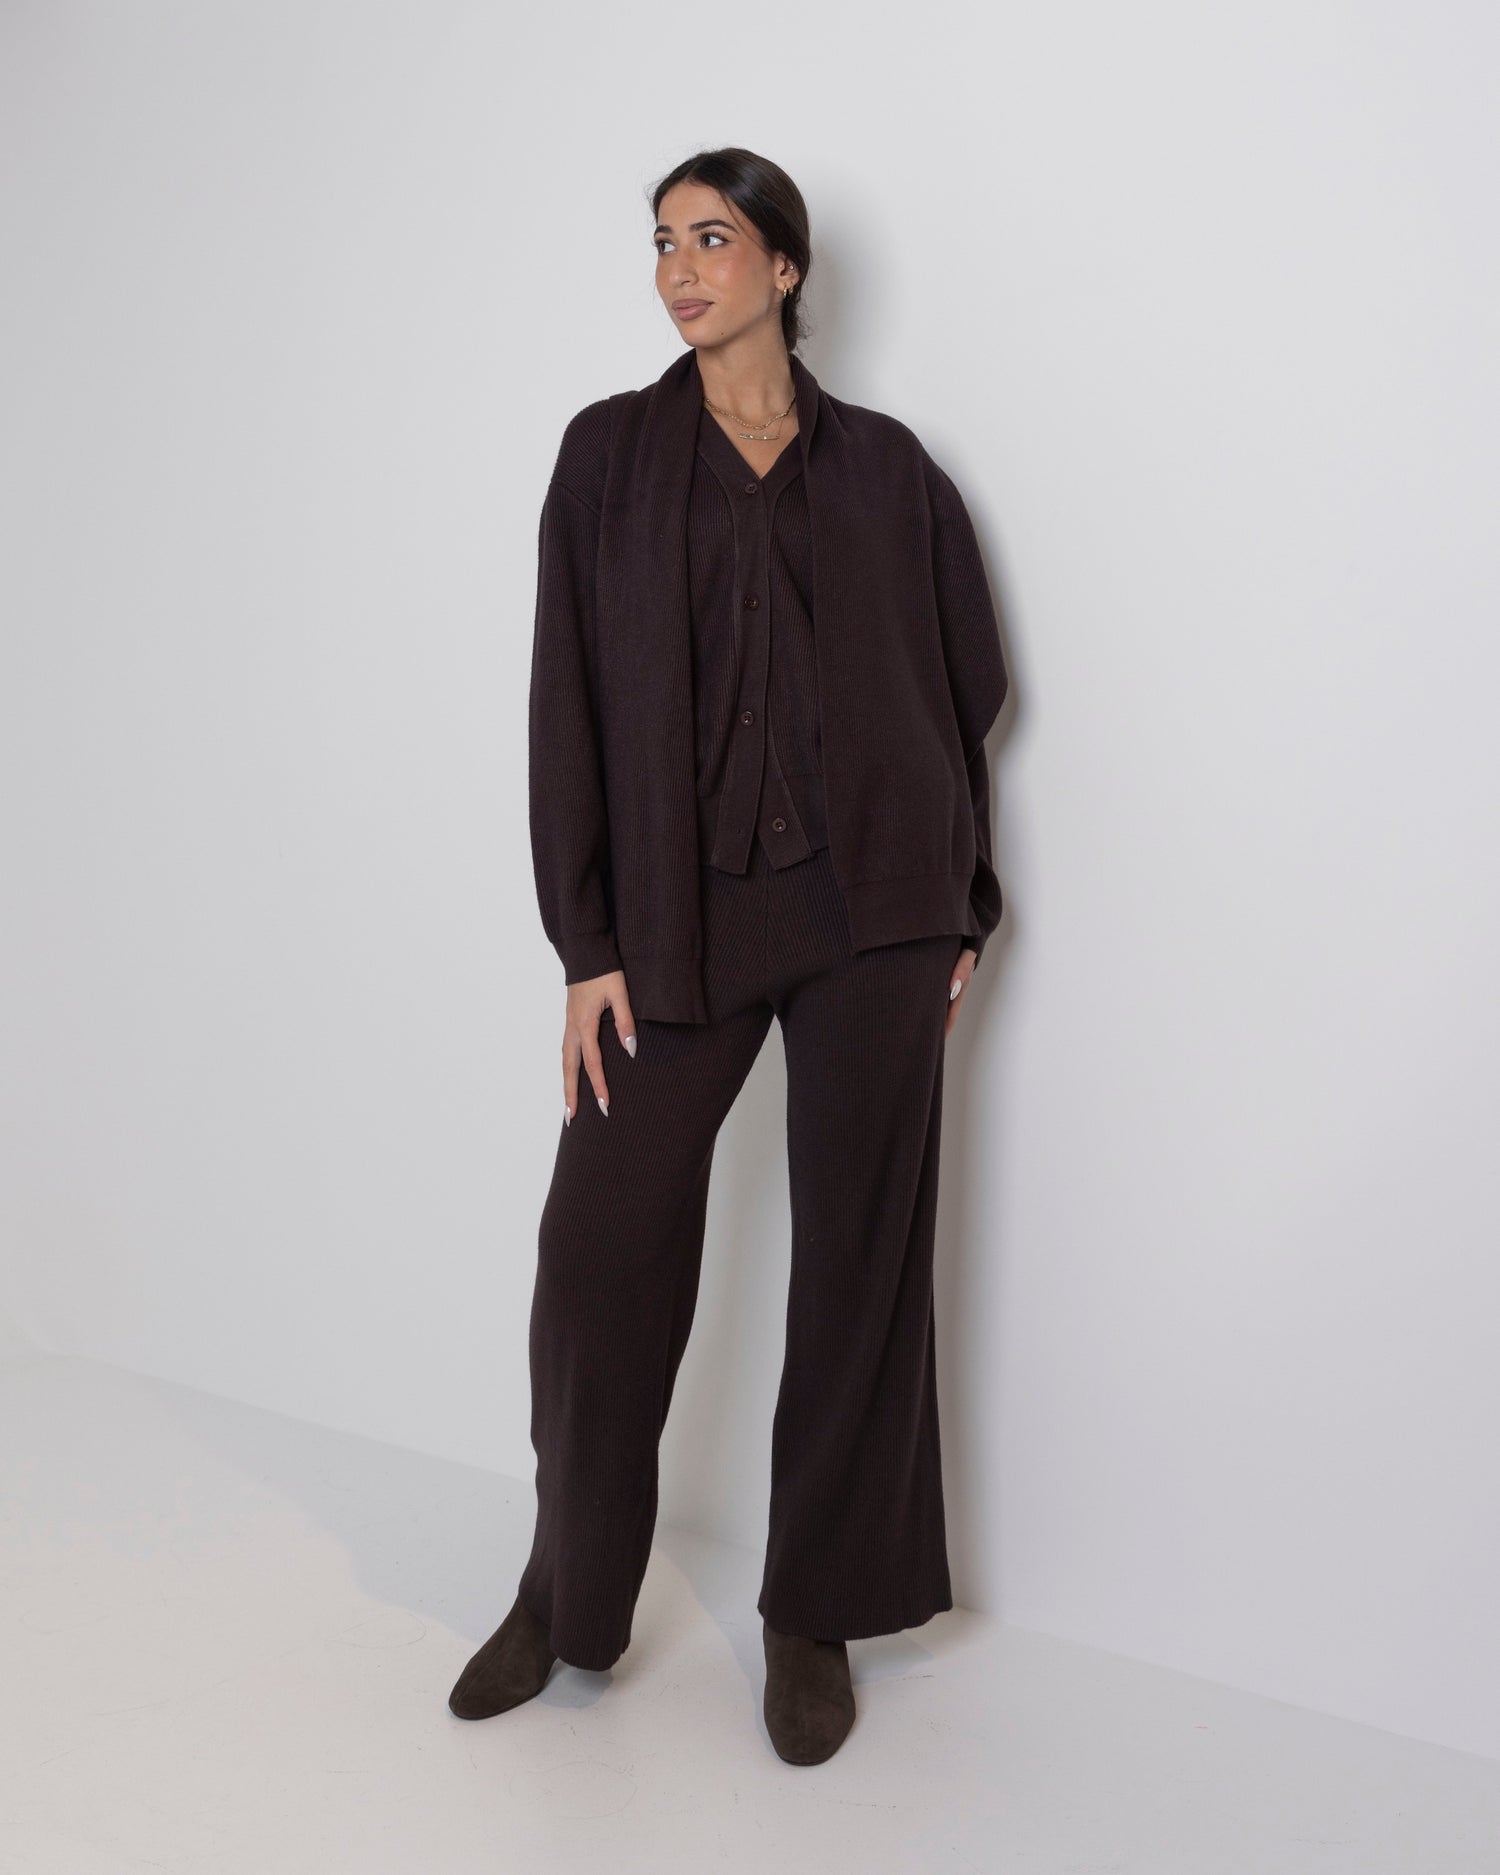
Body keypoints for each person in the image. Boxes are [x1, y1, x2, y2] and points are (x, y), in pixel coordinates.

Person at [449, 146, 1008, 1766]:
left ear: (783, 267)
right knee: (599, 1256)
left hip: (874, 924)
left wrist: (956, 896)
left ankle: (812, 1614)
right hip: (672, 929)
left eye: (712, 238)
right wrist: (587, 942)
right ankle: (565, 1595)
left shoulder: (889, 470)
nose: (680, 269)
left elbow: (964, 685)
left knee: (857, 1268)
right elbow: (564, 702)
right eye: (662, 243)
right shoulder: (608, 459)